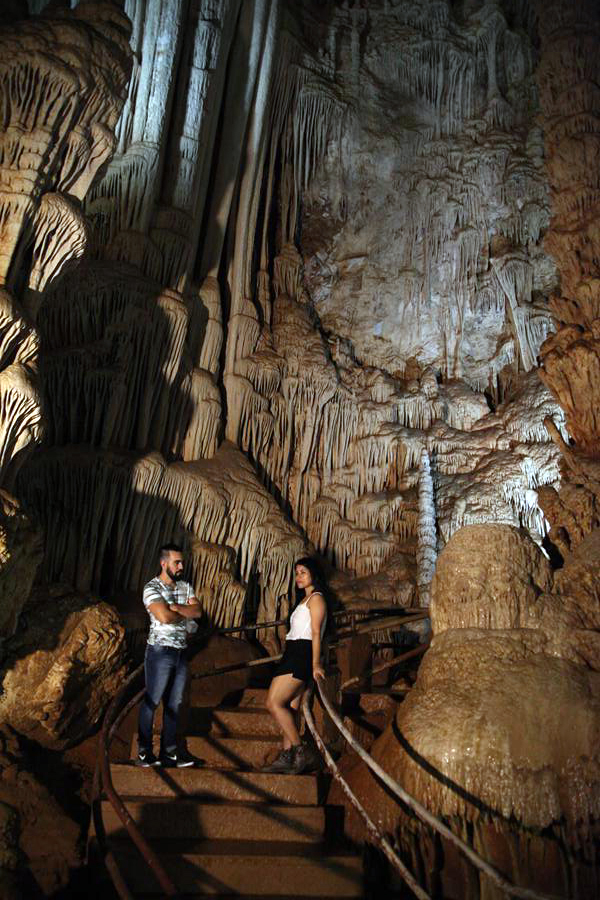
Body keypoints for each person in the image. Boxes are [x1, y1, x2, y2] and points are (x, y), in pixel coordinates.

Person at [137, 543, 202, 767]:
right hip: (159, 651)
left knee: (175, 703)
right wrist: (180, 612)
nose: (181, 566)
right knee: (152, 701)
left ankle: (169, 754)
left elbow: (198, 611)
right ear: (163, 563)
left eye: (182, 562)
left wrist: (175, 608)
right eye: (177, 562)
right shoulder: (151, 588)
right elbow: (163, 617)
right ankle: (145, 752)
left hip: (181, 652)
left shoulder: (185, 586)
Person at [263, 557, 328, 774]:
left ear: (314, 574)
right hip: (293, 651)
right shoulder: (304, 600)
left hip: (302, 653)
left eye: (303, 572)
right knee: (291, 708)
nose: (298, 577)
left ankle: (301, 750)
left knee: (273, 702)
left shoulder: (317, 599)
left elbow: (316, 633)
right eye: (297, 573)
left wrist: (315, 664)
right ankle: (287, 756)